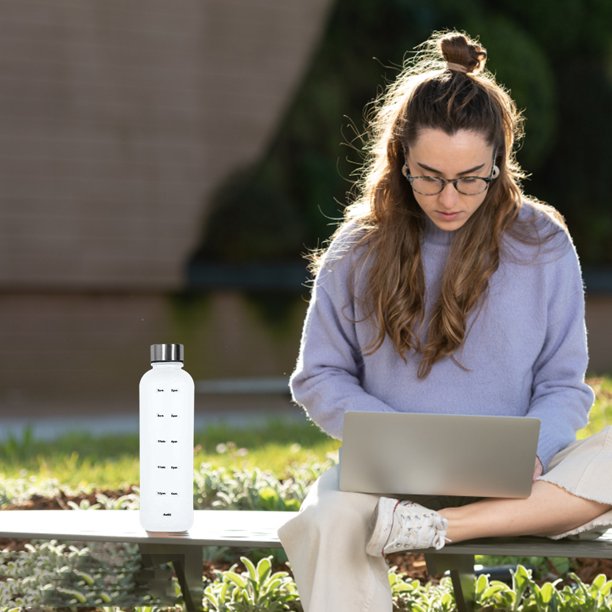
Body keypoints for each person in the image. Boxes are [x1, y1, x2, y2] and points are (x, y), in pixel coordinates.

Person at [277, 30, 612, 611]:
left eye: (470, 178)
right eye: (429, 176)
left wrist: (533, 454)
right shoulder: (358, 246)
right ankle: (413, 519)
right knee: (328, 518)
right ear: (399, 159)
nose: (449, 198)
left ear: (498, 164)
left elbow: (563, 384)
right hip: (387, 483)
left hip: (520, 480)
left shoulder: (542, 242)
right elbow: (319, 375)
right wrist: (397, 442)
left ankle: (444, 528)